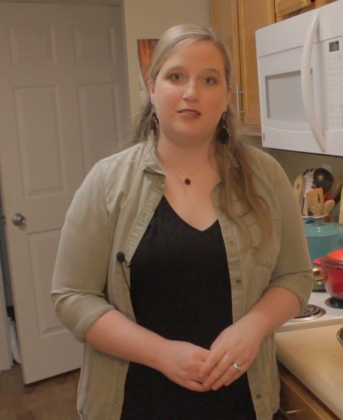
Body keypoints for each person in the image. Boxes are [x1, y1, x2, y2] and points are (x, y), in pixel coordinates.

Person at [51, 23, 313, 420]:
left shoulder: (266, 176)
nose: (192, 92)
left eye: (209, 79)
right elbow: (72, 296)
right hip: (135, 405)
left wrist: (253, 327)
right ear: (152, 88)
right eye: (176, 76)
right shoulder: (108, 182)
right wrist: (161, 354)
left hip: (244, 403)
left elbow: (295, 276)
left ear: (227, 96)